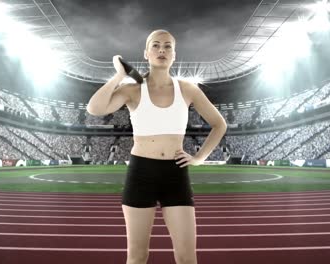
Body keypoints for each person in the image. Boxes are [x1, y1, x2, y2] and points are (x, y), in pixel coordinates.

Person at [86, 29, 227, 264]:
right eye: (156, 45)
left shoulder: (188, 89)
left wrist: (199, 158)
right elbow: (95, 108)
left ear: (174, 55)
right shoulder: (131, 89)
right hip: (141, 173)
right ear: (146, 53)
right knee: (137, 256)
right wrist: (118, 76)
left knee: (187, 257)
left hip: (176, 173)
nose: (162, 50)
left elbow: (219, 124)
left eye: (168, 46)